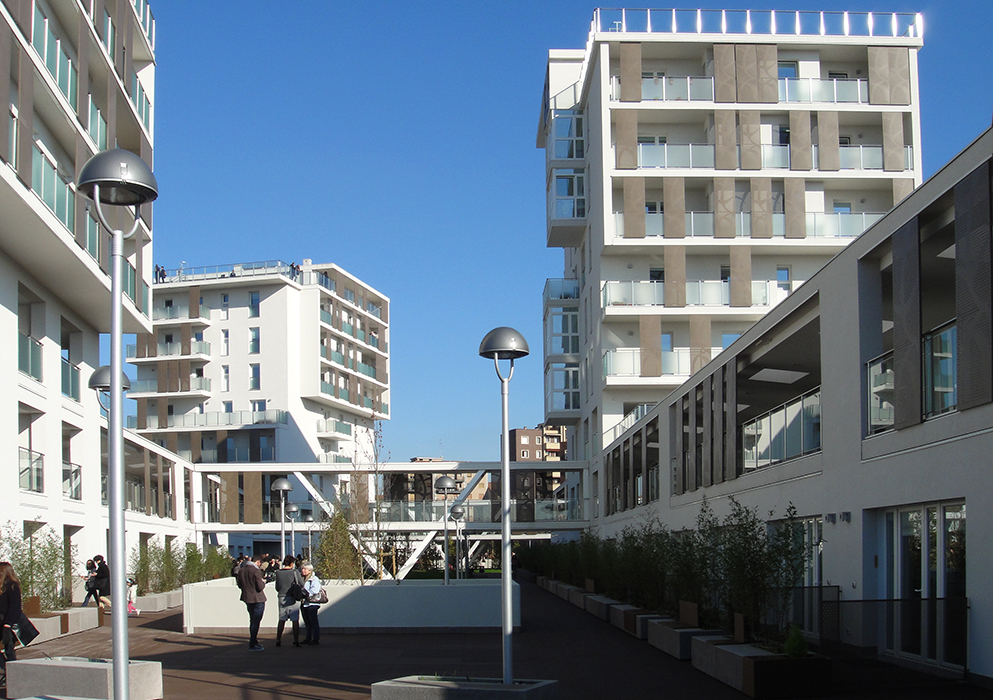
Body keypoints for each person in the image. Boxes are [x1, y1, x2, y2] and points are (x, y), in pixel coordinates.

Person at [235, 553, 267, 652]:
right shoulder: (256, 571)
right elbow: (260, 586)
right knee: (256, 621)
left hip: (247, 597)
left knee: (252, 620)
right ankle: (253, 643)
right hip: (257, 598)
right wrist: (263, 582)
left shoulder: (241, 570)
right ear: (257, 562)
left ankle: (254, 641)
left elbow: (240, 585)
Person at [273, 555, 303, 647]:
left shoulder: (278, 572)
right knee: (295, 620)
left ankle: (278, 639)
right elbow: (301, 583)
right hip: (293, 597)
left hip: (282, 596)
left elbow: (277, 587)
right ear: (291, 563)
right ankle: (296, 640)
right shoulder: (294, 572)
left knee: (282, 619)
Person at [0, 562, 22, 683]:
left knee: (9, 649)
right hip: (1, 621)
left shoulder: (12, 586)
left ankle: (13, 675)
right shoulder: (2, 586)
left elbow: (15, 608)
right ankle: (6, 670)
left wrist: (8, 624)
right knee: (8, 649)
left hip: (7, 623)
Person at [300, 563, 322, 645]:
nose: (303, 570)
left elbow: (315, 590)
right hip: (304, 603)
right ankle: (308, 638)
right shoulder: (302, 579)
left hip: (312, 603)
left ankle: (315, 638)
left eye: (305, 569)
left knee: (313, 621)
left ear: (310, 570)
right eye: (302, 569)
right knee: (307, 622)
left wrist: (305, 594)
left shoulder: (314, 579)